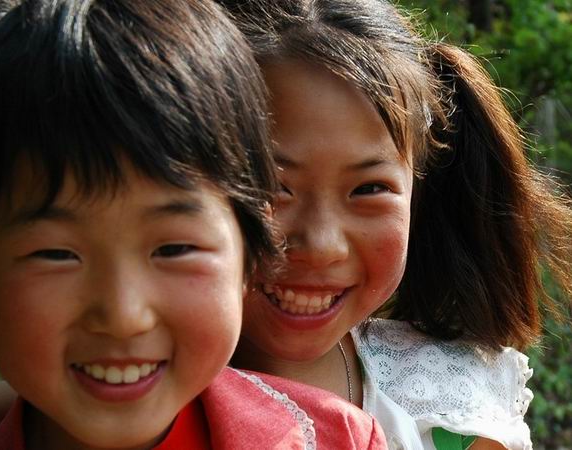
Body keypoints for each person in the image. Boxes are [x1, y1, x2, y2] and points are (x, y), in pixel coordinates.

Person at [0, 0, 388, 449]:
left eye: (174, 249)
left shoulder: (338, 439)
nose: (123, 316)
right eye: (56, 254)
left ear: (252, 254)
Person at [216, 0, 572, 449]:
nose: (323, 244)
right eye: (270, 187)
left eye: (369, 189)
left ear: (418, 192)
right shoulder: (142, 400)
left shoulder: (453, 410)